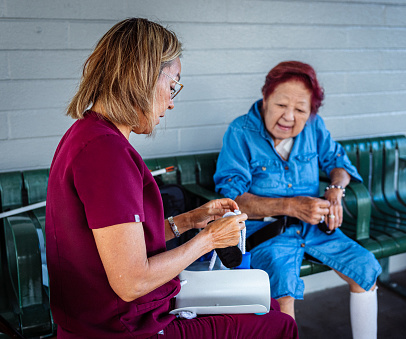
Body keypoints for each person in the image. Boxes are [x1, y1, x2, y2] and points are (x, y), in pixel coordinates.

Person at [45, 18, 298, 338]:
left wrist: (192, 219)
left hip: (100, 318)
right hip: (122, 328)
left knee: (269, 305)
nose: (172, 100)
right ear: (145, 78)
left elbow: (121, 244)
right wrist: (209, 240)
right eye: (173, 84)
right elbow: (132, 282)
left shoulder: (86, 133)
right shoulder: (105, 153)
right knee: (279, 324)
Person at [214, 61, 382, 338]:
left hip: (312, 226)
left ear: (311, 112)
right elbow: (233, 199)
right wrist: (291, 205)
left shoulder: (314, 127)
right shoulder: (241, 131)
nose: (289, 117)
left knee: (365, 269)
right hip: (266, 231)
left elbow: (338, 162)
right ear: (266, 98)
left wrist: (335, 189)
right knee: (282, 288)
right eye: (281, 105)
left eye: (300, 110)